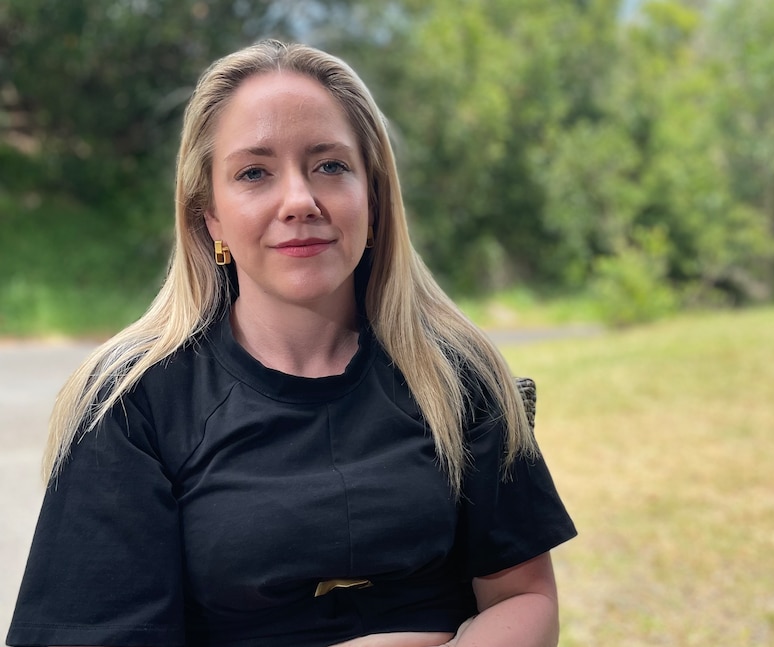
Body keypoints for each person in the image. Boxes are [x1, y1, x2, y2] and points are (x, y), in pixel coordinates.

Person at [6, 40, 576, 647]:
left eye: (330, 165)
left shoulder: (459, 374)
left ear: (374, 198)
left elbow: (524, 596)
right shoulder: (128, 402)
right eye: (254, 173)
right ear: (211, 217)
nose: (300, 201)